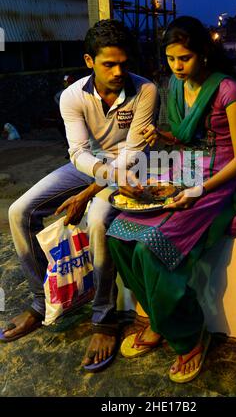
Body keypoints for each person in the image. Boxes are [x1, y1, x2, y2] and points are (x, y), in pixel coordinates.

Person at [107, 16, 236, 383]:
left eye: (185, 58)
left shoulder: (227, 89)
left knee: (153, 247)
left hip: (219, 182)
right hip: (182, 169)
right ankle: (160, 320)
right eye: (171, 59)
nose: (177, 67)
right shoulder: (174, 88)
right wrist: (160, 135)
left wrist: (198, 190)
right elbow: (184, 139)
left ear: (204, 53)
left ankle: (189, 336)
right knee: (119, 234)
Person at [1, 20, 158, 372]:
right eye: (108, 64)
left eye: (124, 63)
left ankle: (104, 319)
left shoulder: (145, 90)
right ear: (89, 60)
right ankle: (44, 302)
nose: (119, 71)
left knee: (99, 218)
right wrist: (92, 181)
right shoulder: (73, 95)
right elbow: (78, 153)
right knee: (18, 210)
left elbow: (133, 154)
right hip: (91, 166)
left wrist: (89, 193)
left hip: (132, 169)